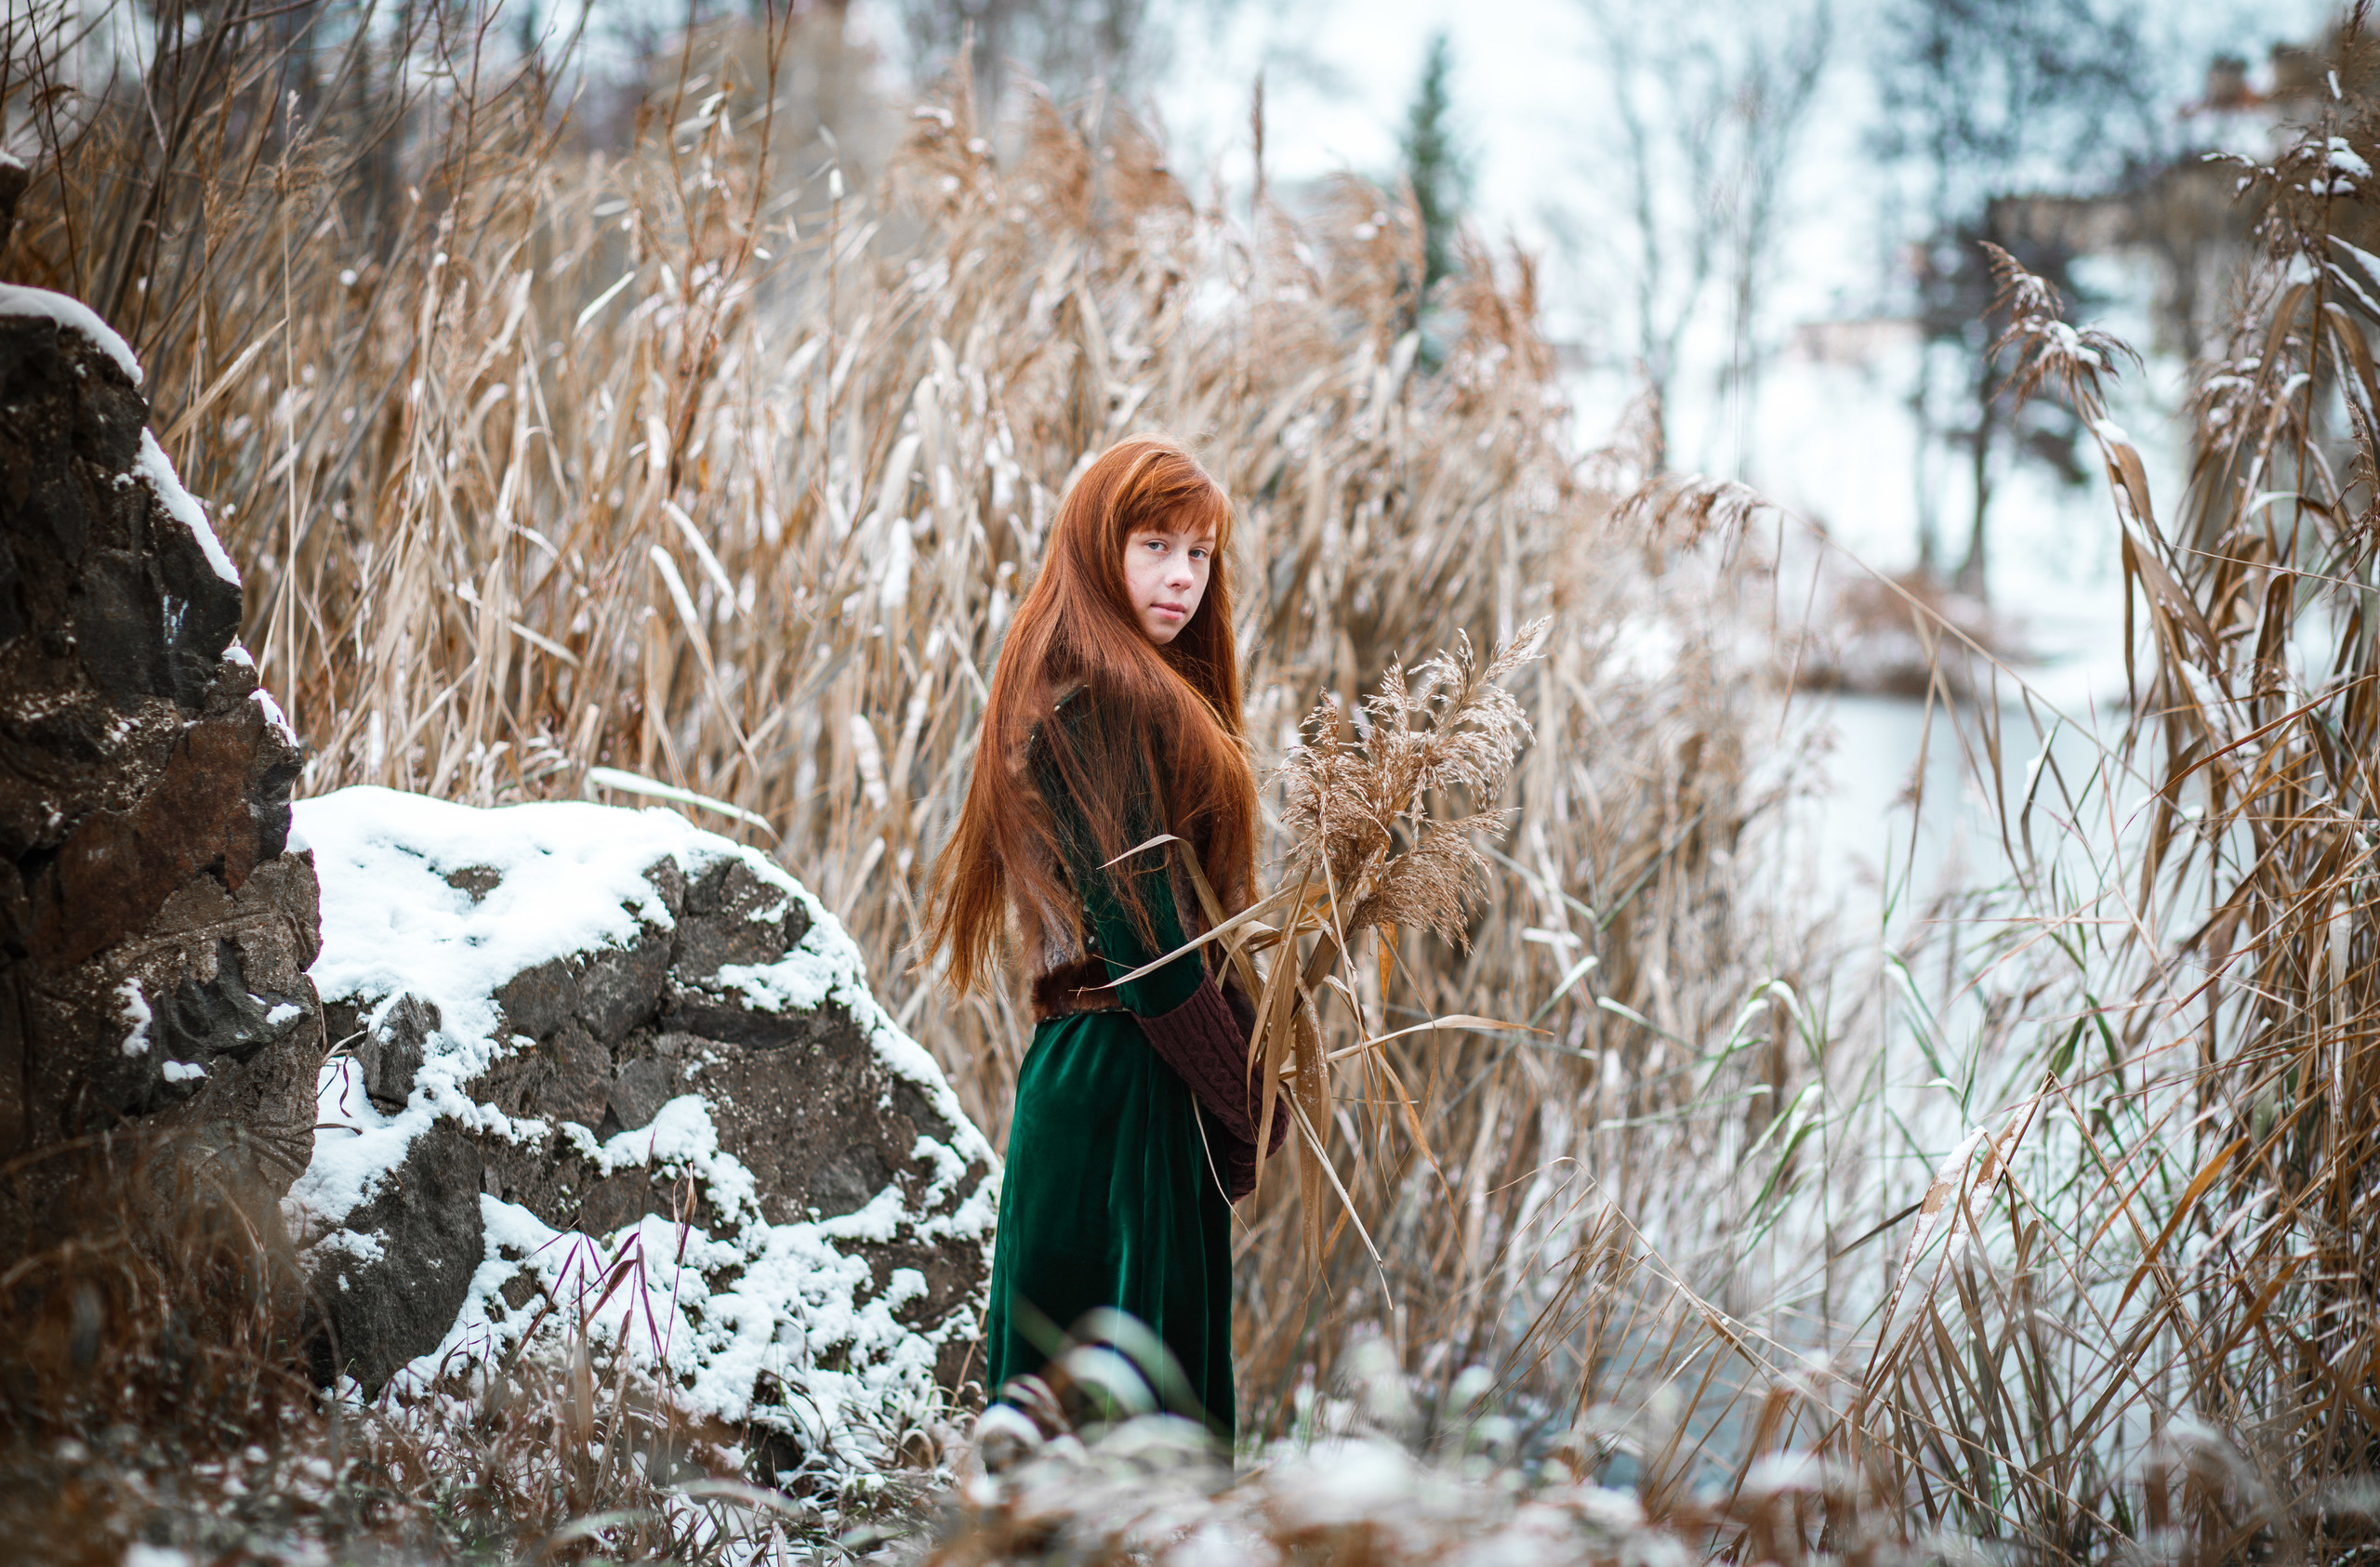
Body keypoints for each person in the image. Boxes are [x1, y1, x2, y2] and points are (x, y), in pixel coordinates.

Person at [925, 435, 1283, 1440]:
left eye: (1200, 554)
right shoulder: (1103, 701)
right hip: (1127, 1080)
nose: (1181, 577)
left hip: (1100, 1074)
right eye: (1154, 545)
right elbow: (1148, 947)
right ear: (1096, 549)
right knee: (1131, 1453)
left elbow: (1178, 927)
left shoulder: (1086, 693)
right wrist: (1243, 1093)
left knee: (1066, 1444)